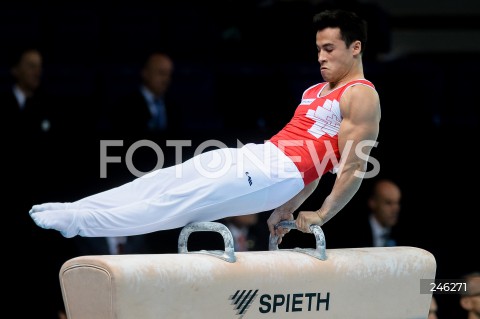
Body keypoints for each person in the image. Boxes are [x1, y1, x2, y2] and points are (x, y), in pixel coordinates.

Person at [28, 9, 381, 244]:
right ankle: (77, 208)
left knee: (175, 204)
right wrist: (288, 208)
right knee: (162, 180)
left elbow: (352, 166)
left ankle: (78, 226)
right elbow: (318, 166)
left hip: (277, 174)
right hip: (261, 157)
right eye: (318, 49)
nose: (320, 56)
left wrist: (320, 213)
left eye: (329, 49)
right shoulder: (315, 90)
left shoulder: (361, 95)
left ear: (355, 48)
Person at [108, 51, 181, 137]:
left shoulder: (174, 107)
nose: (166, 79)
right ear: (145, 73)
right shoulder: (125, 105)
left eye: (169, 74)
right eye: (161, 73)